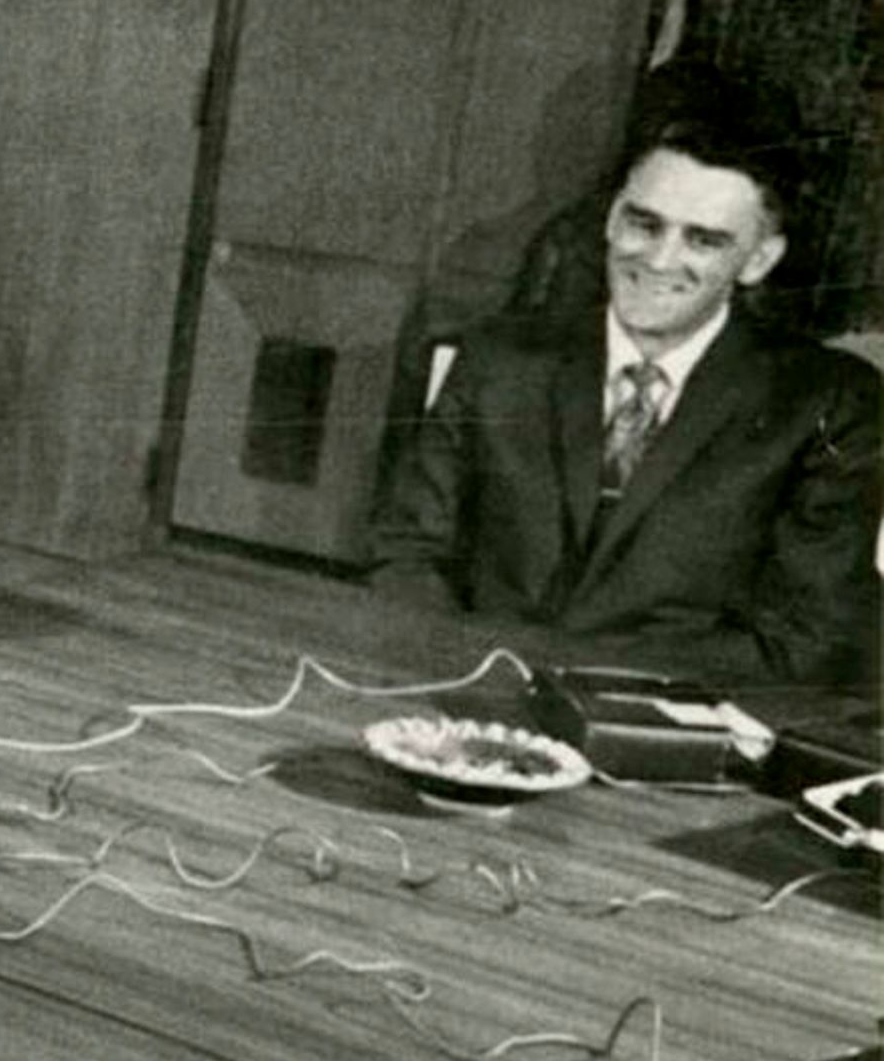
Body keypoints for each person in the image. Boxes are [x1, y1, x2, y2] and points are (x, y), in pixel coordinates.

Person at [371, 95, 881, 686]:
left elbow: (807, 636)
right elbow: (407, 555)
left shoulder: (827, 402)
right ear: (613, 219)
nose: (660, 259)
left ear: (758, 260)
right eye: (645, 223)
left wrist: (596, 695)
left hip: (672, 732)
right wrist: (458, 680)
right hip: (469, 701)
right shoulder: (500, 358)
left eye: (704, 241)